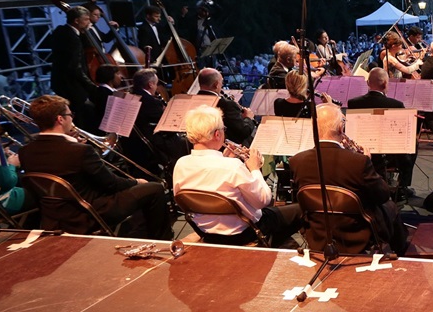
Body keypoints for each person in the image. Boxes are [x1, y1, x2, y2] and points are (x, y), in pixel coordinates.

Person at [18, 95, 172, 238]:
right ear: (60, 119)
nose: (72, 120)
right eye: (70, 115)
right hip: (89, 212)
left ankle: (139, 233)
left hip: (55, 215)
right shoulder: (79, 151)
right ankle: (162, 239)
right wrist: (137, 182)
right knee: (154, 188)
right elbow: (111, 184)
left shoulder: (25, 152)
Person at [173, 106, 302, 247]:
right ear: (217, 135)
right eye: (223, 130)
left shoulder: (180, 164)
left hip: (206, 231)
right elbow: (263, 200)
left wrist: (224, 159)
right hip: (244, 233)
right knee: (301, 210)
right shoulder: (232, 166)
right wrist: (254, 169)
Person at [290, 103, 408, 254]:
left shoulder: (297, 161)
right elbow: (382, 195)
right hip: (357, 235)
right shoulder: (358, 162)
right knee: (390, 206)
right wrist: (368, 162)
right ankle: (402, 253)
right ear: (340, 128)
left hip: (318, 235)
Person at [347, 68, 415, 198]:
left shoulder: (353, 103)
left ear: (368, 83)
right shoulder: (396, 105)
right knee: (412, 144)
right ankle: (402, 187)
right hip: (388, 156)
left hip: (361, 152)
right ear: (384, 84)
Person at [50, 5, 98, 130]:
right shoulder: (73, 38)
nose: (89, 22)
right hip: (72, 85)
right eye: (86, 19)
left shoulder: (60, 31)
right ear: (76, 21)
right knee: (82, 116)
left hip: (59, 84)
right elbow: (75, 67)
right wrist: (91, 86)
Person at [196, 68, 255, 146]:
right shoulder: (226, 104)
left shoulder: (193, 101)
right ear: (216, 84)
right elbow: (243, 132)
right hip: (223, 147)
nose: (222, 86)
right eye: (221, 83)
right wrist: (248, 118)